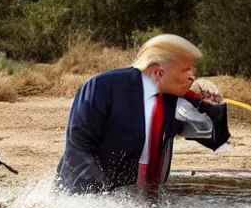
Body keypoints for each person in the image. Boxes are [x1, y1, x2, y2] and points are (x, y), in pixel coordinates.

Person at [55, 34, 230, 194]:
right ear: (158, 72)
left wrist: (212, 105)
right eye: (186, 70)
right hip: (87, 198)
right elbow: (78, 149)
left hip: (146, 203)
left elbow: (217, 139)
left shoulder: (176, 99)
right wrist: (99, 201)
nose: (193, 77)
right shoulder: (102, 87)